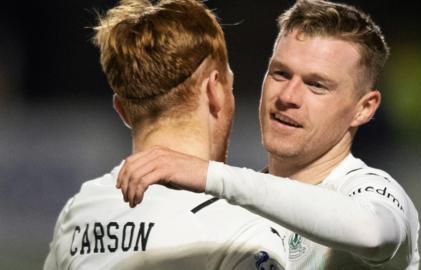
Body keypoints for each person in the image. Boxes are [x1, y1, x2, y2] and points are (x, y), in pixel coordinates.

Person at [117, 0, 420, 269]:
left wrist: (210, 175)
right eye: (280, 74)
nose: (288, 96)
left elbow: (372, 233)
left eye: (317, 85)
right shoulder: (221, 213)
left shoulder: (368, 191)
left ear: (363, 109)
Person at [43, 0, 286, 269]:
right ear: (214, 90)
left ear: (122, 111)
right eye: (230, 84)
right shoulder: (240, 228)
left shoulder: (79, 213)